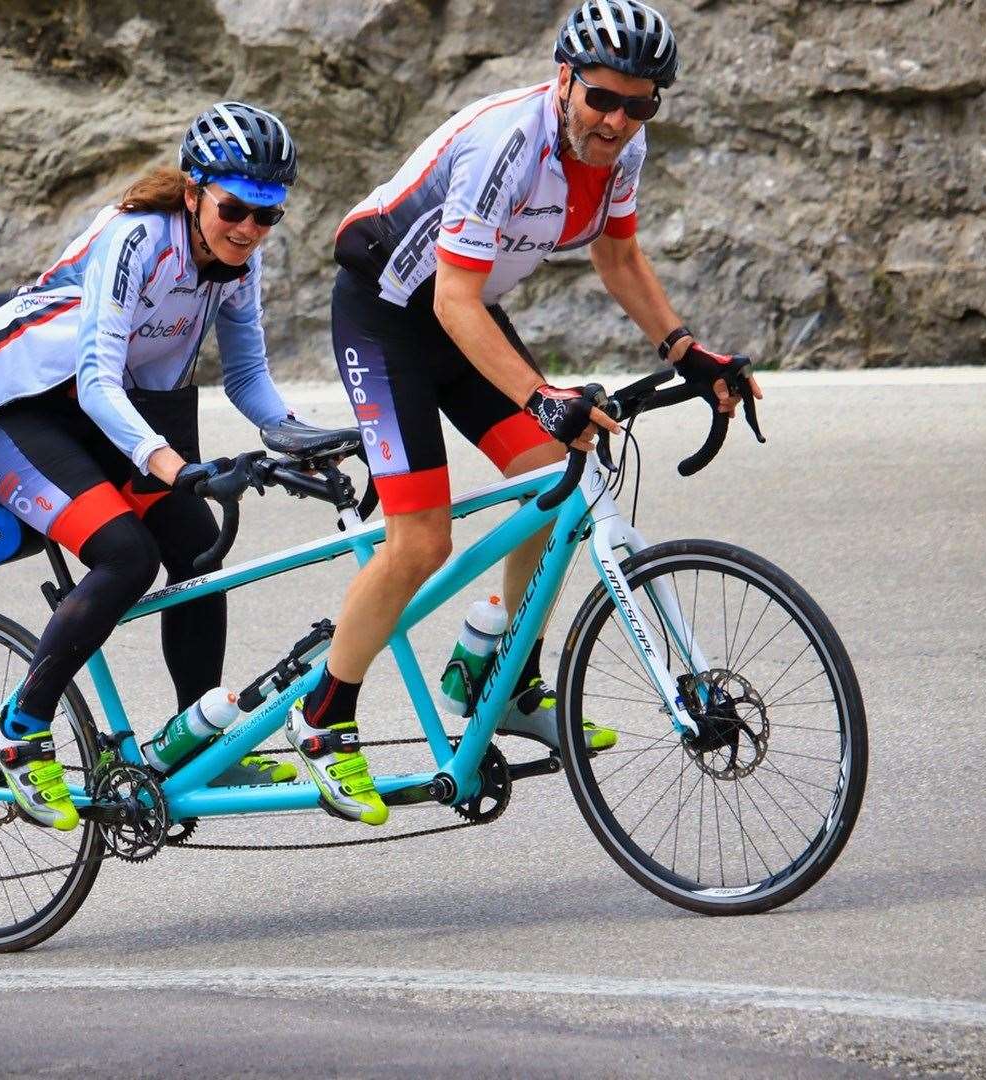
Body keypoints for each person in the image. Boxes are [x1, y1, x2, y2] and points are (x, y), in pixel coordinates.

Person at [289, 0, 764, 825]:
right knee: (422, 539)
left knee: (555, 479)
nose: (618, 119)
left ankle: (501, 676)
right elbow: (454, 299)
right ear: (564, 80)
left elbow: (617, 255)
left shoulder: (623, 146)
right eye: (602, 99)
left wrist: (688, 350)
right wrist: (542, 396)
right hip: (388, 316)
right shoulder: (507, 144)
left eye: (640, 103)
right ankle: (325, 715)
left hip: (461, 312)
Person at [0, 102, 304, 830]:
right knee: (125, 555)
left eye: (267, 216)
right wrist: (175, 467)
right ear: (193, 192)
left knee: (200, 555)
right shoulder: (137, 237)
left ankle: (193, 740)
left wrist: (312, 438)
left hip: (107, 415)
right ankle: (19, 729)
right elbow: (96, 381)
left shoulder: (239, 264)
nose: (248, 229)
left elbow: (248, 381)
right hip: (17, 407)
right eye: (234, 208)